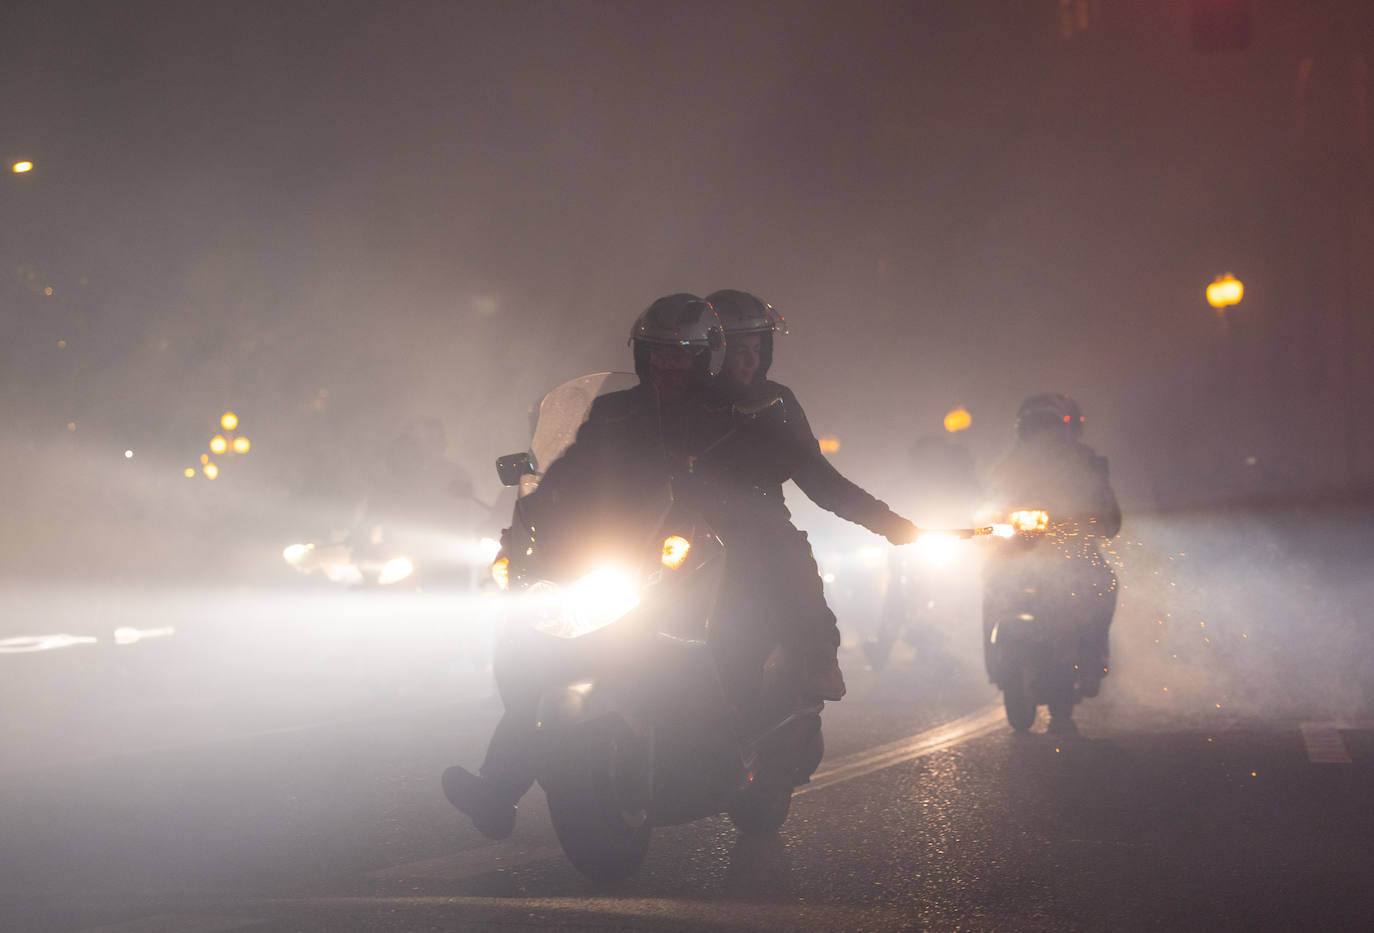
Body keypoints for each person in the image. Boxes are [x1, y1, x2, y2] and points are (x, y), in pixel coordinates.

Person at [442, 294, 732, 840]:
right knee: (539, 657)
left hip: (700, 540)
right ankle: (497, 790)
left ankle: (736, 746)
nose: (669, 365)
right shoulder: (614, 410)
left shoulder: (722, 413)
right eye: (658, 354)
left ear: (705, 359)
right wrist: (529, 519)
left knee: (730, 623)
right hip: (614, 547)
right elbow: (569, 473)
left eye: (681, 355)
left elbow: (747, 472)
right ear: (643, 357)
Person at [704, 289, 920, 702]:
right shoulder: (672, 405)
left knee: (793, 567)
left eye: (756, 349)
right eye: (738, 350)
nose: (750, 360)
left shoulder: (774, 403)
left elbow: (819, 480)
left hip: (757, 531)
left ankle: (815, 664)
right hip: (682, 532)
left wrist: (887, 522)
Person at [980, 393, 1121, 705]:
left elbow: (1108, 511)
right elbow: (985, 506)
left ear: (1065, 431)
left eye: (1049, 426)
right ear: (1023, 431)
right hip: (1014, 554)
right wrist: (986, 526)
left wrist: (1095, 518)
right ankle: (996, 661)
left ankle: (1091, 654)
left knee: (1103, 583)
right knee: (989, 583)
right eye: (1035, 427)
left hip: (1071, 552)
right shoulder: (1004, 468)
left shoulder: (1086, 464)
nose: (1043, 434)